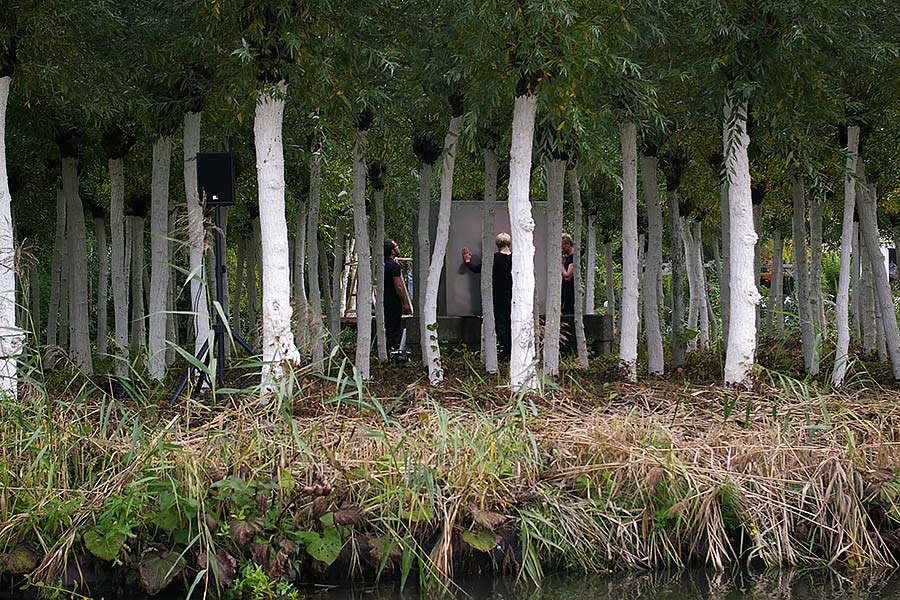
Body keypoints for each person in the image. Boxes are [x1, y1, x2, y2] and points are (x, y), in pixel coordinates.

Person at [462, 233, 513, 361]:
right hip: (513, 295)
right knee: (511, 322)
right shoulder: (516, 258)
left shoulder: (493, 258)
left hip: (497, 294)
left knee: (500, 323)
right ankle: (513, 351)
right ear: (509, 243)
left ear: (497, 244)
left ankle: (503, 353)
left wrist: (467, 261)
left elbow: (476, 269)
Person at [384, 239, 411, 351]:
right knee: (394, 327)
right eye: (396, 246)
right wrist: (405, 303)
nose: (398, 247)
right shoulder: (394, 266)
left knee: (387, 325)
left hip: (384, 299)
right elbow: (399, 286)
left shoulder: (383, 264)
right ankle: (392, 350)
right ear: (392, 251)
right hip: (393, 301)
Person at [560, 233, 576, 353]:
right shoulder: (569, 258)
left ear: (567, 245)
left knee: (568, 313)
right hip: (566, 290)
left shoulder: (573, 258)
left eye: (562, 246)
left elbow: (567, 276)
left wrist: (561, 264)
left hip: (570, 291)